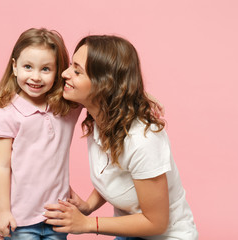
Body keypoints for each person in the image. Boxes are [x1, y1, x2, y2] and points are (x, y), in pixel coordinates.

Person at [44, 35, 198, 240]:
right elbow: (118, 176)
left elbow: (156, 222)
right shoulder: (99, 118)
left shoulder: (143, 141)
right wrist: (88, 206)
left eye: (77, 71)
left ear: (103, 85)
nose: (64, 73)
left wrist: (88, 224)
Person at [0, 28, 81, 240]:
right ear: (14, 67)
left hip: (57, 217)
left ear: (58, 72)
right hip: (21, 220)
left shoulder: (66, 109)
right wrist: (2, 212)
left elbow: (98, 89)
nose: (36, 77)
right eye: (28, 67)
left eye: (46, 69)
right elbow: (1, 166)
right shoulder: (7, 115)